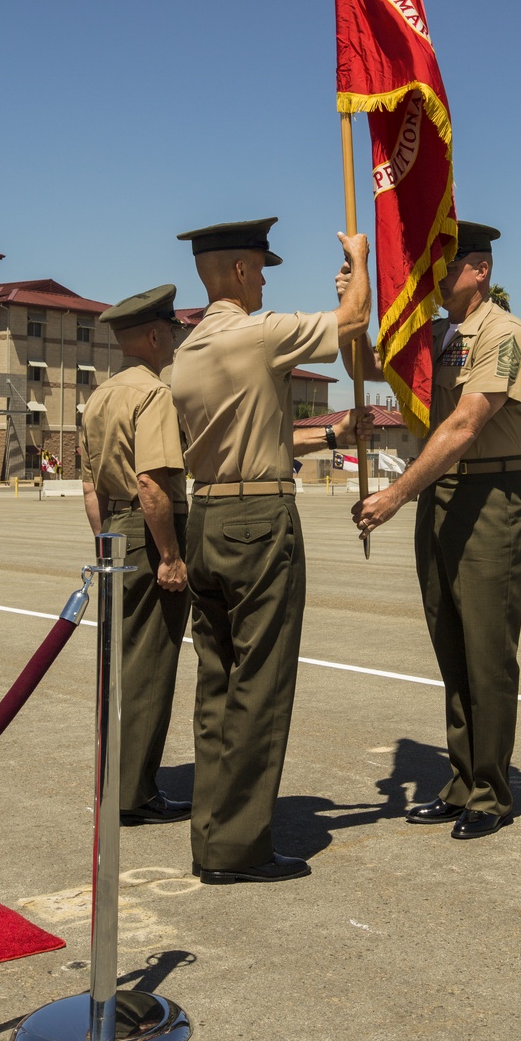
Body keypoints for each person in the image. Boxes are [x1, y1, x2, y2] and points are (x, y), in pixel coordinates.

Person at [170, 218, 372, 884]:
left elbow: (263, 439)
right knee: (261, 681)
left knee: (218, 681)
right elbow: (354, 319)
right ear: (235, 272)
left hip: (209, 516)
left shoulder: (190, 351)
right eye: (258, 268)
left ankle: (211, 832)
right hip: (259, 519)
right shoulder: (257, 333)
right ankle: (240, 849)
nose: (262, 280)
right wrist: (357, 262)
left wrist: (335, 434)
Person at [348, 222, 521, 839]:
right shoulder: (435, 334)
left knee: (487, 648)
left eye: (448, 264)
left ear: (480, 270)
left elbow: (464, 425)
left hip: (490, 493)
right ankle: (462, 779)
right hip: (442, 491)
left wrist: (399, 492)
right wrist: (356, 284)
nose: (435, 276)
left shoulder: (505, 335)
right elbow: (363, 361)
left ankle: (491, 791)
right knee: (450, 641)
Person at [80, 285, 192, 826]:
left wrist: (109, 545)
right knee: (150, 667)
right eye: (171, 330)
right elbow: (152, 481)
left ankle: (114, 781)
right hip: (151, 532)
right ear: (153, 334)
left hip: (117, 533)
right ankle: (133, 794)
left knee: (119, 666)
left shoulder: (100, 396)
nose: (173, 339)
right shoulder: (155, 393)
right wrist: (169, 555)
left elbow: (89, 490)